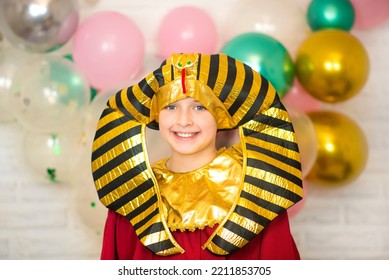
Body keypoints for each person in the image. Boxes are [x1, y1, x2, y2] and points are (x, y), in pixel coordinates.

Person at [91, 53, 303, 260]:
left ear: (220, 114)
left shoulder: (257, 188)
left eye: (199, 107)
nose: (184, 121)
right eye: (171, 106)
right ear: (156, 113)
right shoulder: (132, 192)